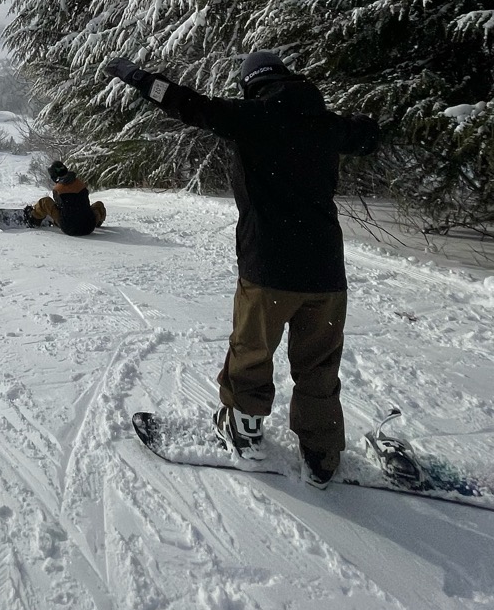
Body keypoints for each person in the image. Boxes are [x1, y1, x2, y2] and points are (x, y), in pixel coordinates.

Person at [105, 50, 379, 487]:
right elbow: (370, 135)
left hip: (269, 269)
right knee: (319, 366)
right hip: (327, 274)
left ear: (251, 85)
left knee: (250, 353)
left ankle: (244, 429)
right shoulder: (327, 125)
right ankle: (322, 451)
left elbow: (184, 102)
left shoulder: (253, 116)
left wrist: (138, 78)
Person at [23, 160, 107, 236]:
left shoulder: (58, 189)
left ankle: (33, 219)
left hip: (69, 228)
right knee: (98, 204)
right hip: (89, 226)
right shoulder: (80, 184)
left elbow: (60, 206)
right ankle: (98, 223)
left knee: (45, 202)